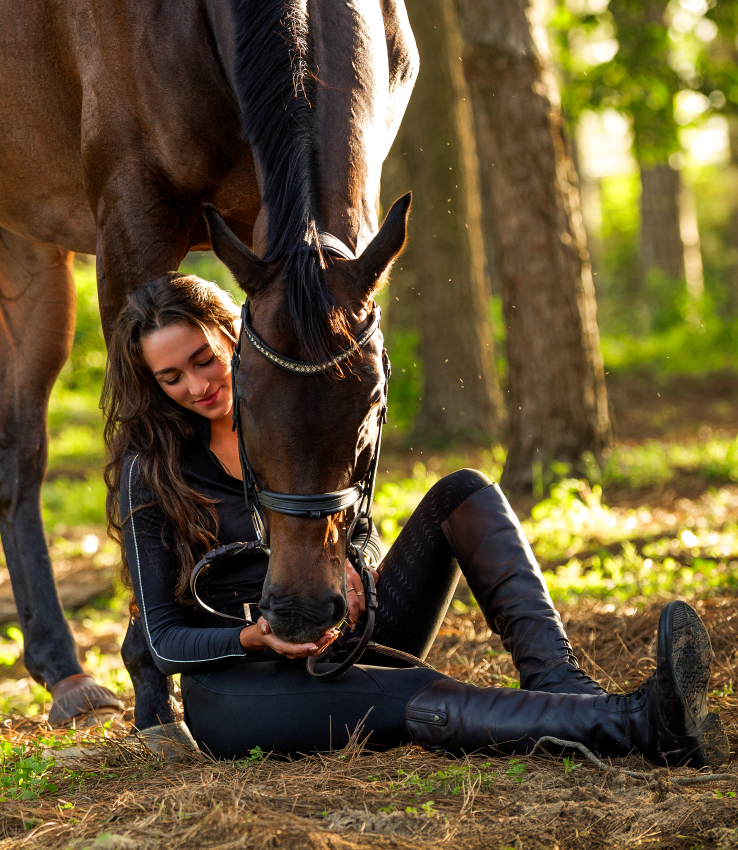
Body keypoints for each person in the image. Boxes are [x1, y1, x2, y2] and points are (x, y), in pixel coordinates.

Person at [103, 273, 727, 769]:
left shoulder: (299, 421)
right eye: (171, 377)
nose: (197, 384)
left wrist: (354, 565)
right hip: (244, 687)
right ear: (153, 386)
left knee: (464, 493)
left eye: (204, 359)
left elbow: (362, 523)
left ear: (234, 337)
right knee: (417, 694)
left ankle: (564, 686)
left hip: (347, 635)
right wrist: (255, 638)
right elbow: (162, 638)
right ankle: (642, 727)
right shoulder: (153, 469)